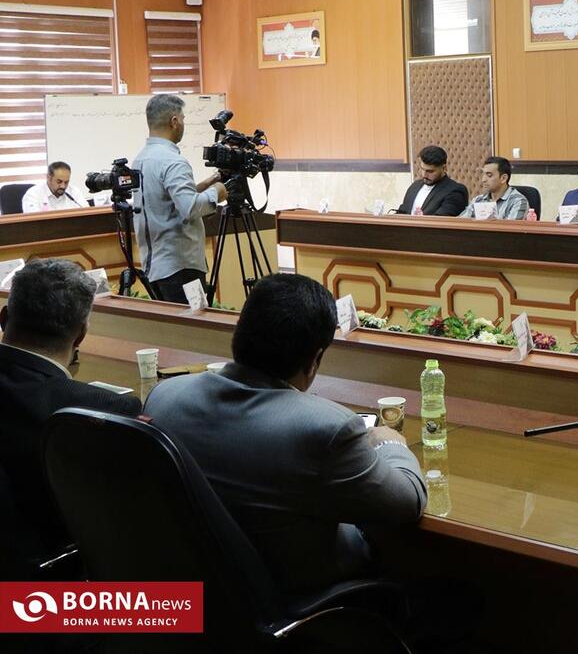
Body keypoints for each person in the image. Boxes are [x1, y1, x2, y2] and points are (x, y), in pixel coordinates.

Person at [143, 274, 427, 595]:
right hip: (296, 595)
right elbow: (407, 503)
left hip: (197, 593)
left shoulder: (165, 397)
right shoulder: (325, 428)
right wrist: (389, 442)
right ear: (314, 359)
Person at [0, 259, 141, 568]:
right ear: (80, 335)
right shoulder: (102, 410)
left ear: (4, 318)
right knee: (185, 600)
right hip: (54, 581)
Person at [133, 94, 228, 304]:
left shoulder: (140, 159)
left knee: (171, 324)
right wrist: (217, 192)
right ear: (174, 121)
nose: (183, 124)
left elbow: (167, 199)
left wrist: (208, 183)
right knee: (194, 323)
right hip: (181, 268)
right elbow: (190, 208)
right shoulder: (173, 161)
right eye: (183, 119)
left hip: (156, 267)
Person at [396, 145, 468, 216]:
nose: (424, 175)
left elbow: (441, 220)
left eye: (430, 171)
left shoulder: (455, 191)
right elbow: (402, 212)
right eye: (422, 169)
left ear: (444, 168)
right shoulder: (415, 186)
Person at [459, 156, 529, 220]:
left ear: (503, 178)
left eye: (489, 175)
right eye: (483, 174)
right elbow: (460, 222)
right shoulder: (478, 200)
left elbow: (511, 228)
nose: (483, 180)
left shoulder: (518, 202)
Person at [21, 161, 86, 213]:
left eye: (66, 182)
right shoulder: (33, 194)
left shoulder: (74, 192)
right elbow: (33, 220)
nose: (63, 186)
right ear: (49, 178)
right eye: (59, 181)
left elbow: (86, 213)